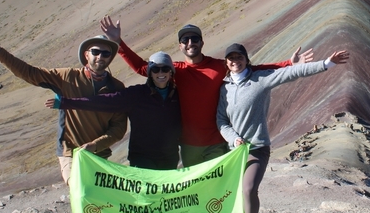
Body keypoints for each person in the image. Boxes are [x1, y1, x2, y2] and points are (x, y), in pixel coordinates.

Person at [100, 15, 313, 167]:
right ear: (180, 46)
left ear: (202, 42)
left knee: (217, 192)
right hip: (189, 145)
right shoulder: (174, 71)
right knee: (196, 193)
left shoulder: (220, 66)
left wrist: (289, 64)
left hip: (218, 143)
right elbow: (141, 67)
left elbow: (253, 69)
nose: (190, 42)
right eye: (185, 40)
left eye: (194, 39)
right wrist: (119, 43)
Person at [216, 43, 350, 213]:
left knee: (248, 189)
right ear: (227, 62)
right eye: (231, 58)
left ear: (246, 59)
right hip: (234, 151)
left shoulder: (260, 80)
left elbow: (291, 73)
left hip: (257, 147)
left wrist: (326, 64)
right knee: (233, 194)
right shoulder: (224, 88)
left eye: (239, 57)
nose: (235, 61)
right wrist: (233, 138)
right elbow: (221, 121)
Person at [0, 27, 127, 184]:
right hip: (70, 152)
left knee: (98, 199)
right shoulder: (67, 77)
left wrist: (95, 146)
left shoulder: (117, 87)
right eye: (95, 51)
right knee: (78, 187)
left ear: (110, 58)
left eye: (106, 53)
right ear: (86, 54)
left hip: (99, 155)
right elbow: (30, 73)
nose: (100, 56)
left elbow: (118, 128)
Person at [45, 52, 181, 170]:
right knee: (147, 198)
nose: (161, 73)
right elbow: (104, 102)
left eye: (165, 69)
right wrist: (67, 102)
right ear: (150, 73)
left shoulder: (179, 95)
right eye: (156, 69)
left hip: (169, 157)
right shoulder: (137, 95)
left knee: (165, 199)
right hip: (142, 159)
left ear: (171, 72)